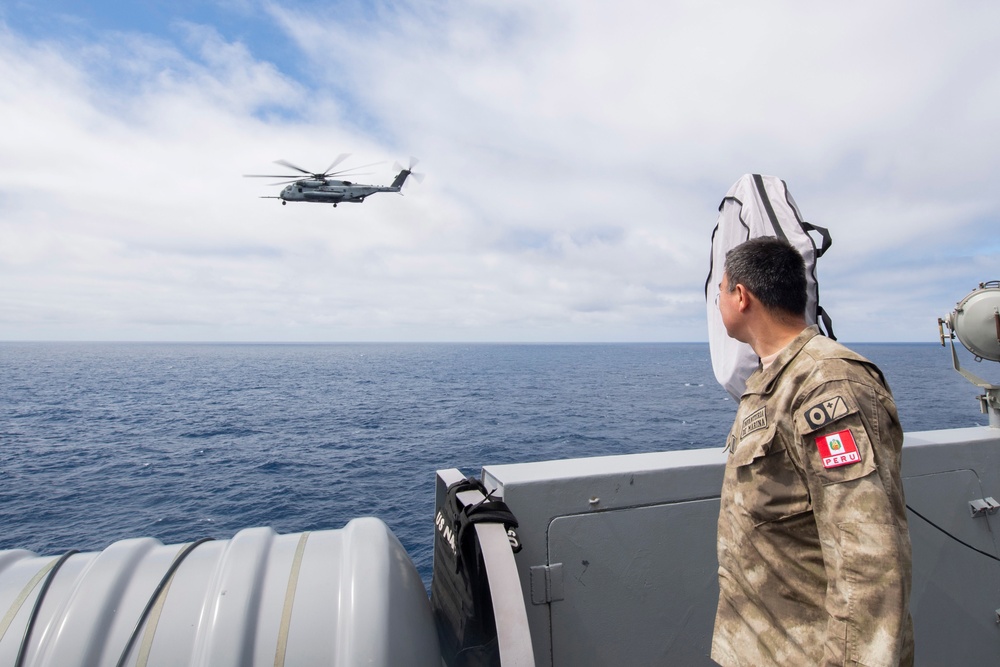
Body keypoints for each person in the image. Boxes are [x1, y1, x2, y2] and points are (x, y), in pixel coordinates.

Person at [711, 237, 914, 666]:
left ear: (741, 296)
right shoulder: (769, 384)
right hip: (763, 646)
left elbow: (869, 560)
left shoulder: (827, 383)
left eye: (721, 291)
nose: (718, 304)